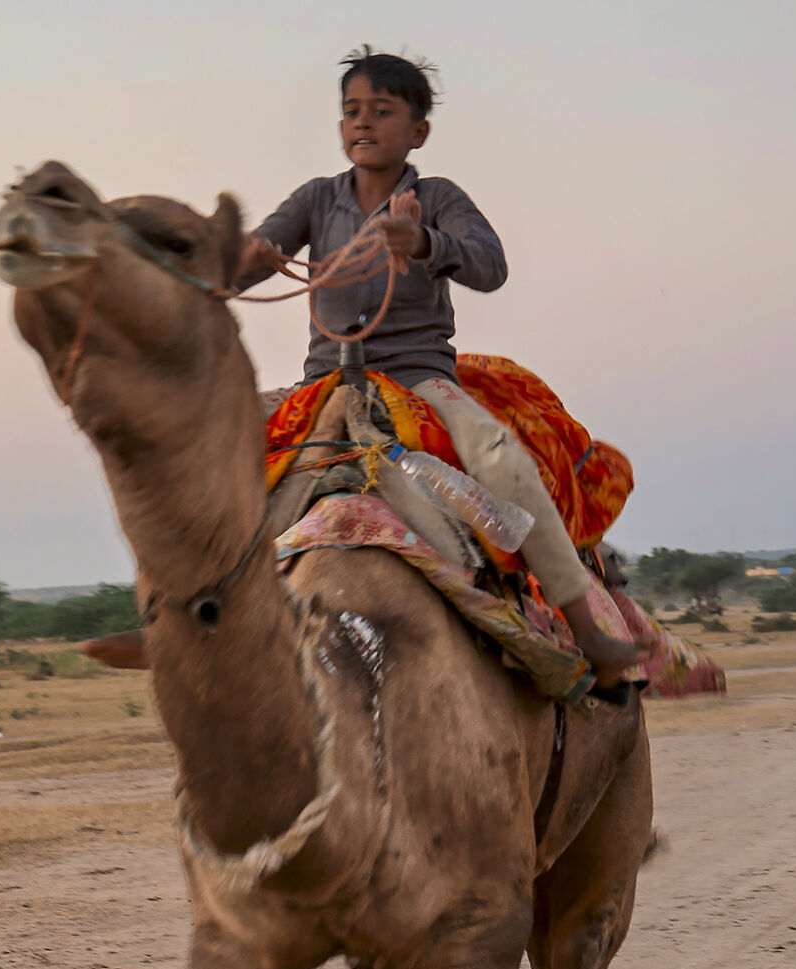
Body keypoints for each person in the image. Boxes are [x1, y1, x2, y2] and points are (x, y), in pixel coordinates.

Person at [239, 47, 643, 685]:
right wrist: (246, 255)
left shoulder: (437, 197)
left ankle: (586, 628)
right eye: (351, 112)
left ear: (418, 131)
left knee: (501, 458)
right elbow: (258, 256)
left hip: (417, 382)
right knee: (204, 449)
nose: (362, 123)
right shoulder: (315, 199)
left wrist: (425, 243)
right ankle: (182, 618)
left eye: (381, 110)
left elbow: (491, 264)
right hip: (322, 387)